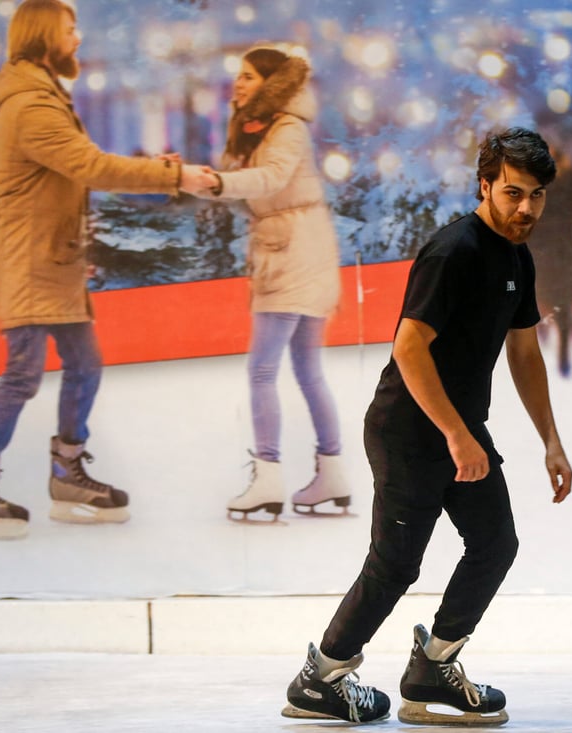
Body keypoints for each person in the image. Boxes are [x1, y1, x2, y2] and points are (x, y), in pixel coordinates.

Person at [282, 127, 572, 725]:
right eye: (513, 193)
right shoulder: (455, 251)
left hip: (459, 429)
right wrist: (457, 435)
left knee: (495, 544)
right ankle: (322, 678)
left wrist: (551, 440)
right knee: (396, 563)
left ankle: (432, 669)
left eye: (537, 195)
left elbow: (524, 353)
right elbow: (409, 347)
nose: (526, 208)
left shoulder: (516, 256)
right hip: (409, 431)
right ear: (485, 185)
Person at [0, 0, 215, 540]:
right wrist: (176, 176)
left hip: (54, 259)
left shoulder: (43, 94)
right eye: (70, 29)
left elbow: (75, 172)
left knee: (86, 363)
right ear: (46, 34)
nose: (77, 38)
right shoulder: (29, 104)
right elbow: (90, 165)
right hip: (30, 261)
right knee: (24, 373)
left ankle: (66, 471)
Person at [201, 44, 349, 521]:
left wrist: (219, 183)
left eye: (249, 76)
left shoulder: (286, 127)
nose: (239, 83)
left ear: (272, 83)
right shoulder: (263, 125)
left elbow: (268, 178)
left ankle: (268, 476)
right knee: (307, 369)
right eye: (238, 76)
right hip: (299, 246)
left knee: (263, 370)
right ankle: (332, 472)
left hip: (290, 254)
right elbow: (236, 174)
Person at [526, 146, 572, 377]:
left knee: (561, 298)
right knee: (547, 295)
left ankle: (564, 342)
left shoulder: (565, 181)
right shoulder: (537, 183)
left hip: (560, 249)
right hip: (547, 249)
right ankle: (553, 326)